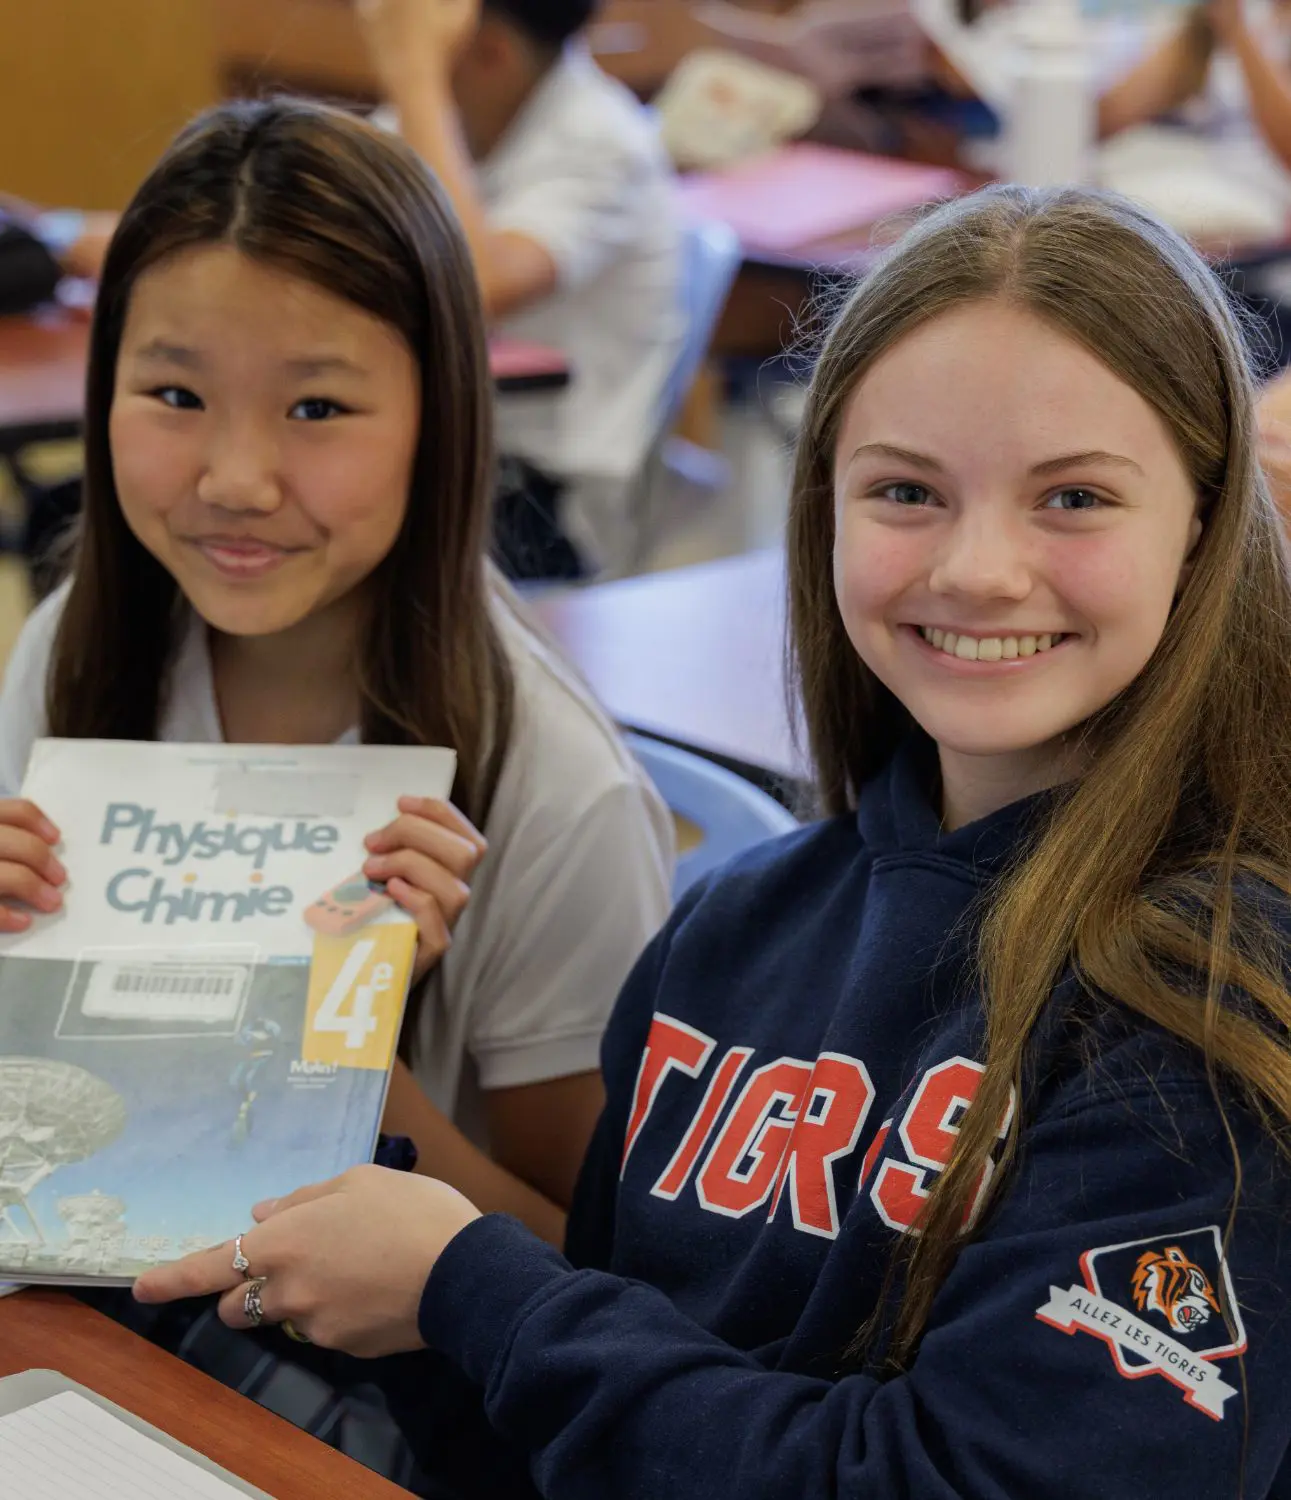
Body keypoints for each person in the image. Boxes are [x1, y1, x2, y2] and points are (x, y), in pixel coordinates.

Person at [139, 183, 1291, 1499]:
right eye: (904, 491)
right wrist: (351, 1184)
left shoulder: (1211, 997)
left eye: (1072, 498)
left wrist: (474, 1289)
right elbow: (575, 1425)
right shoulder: (732, 926)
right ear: (823, 509)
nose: (976, 569)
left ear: (1199, 525)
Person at [0, 95, 673, 1478]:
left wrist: (349, 1082)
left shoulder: (546, 786)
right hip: (93, 1312)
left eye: (318, 408)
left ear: (439, 415)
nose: (237, 478)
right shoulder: (75, 651)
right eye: (173, 396)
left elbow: (602, 1279)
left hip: (396, 1407)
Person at [359, 0, 684, 579]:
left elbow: (473, 287)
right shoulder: (439, 117)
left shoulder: (604, 141)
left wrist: (415, 74)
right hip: (443, 444)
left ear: (490, 53)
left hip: (543, 492)